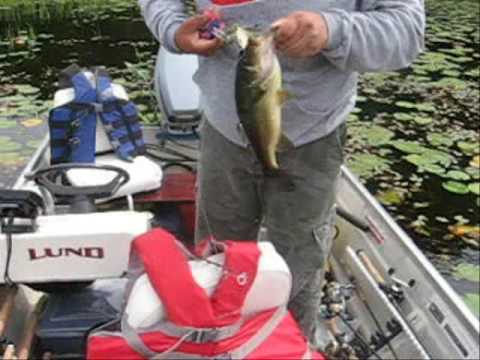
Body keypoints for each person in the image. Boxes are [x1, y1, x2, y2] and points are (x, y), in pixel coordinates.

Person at [139, 0, 425, 346]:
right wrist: (171, 28)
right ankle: (217, 343)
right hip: (221, 131)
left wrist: (330, 30)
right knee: (215, 261)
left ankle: (288, 347)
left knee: (297, 271)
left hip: (313, 136)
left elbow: (407, 32)